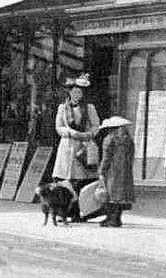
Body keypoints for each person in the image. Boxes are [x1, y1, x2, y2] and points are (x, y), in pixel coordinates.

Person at [53, 74, 101, 215]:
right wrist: (69, 133)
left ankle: (81, 212)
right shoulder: (62, 108)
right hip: (68, 146)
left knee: (81, 181)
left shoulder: (89, 108)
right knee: (66, 181)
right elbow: (58, 127)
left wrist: (89, 134)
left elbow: (96, 125)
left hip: (83, 146)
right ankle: (65, 211)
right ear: (69, 93)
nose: (76, 95)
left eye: (79, 92)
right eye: (74, 92)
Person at [97, 116, 135, 228]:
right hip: (125, 170)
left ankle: (111, 219)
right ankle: (116, 219)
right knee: (120, 196)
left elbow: (106, 157)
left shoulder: (109, 139)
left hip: (112, 170)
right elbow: (131, 156)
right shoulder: (129, 139)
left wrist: (101, 171)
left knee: (109, 195)